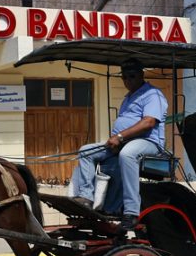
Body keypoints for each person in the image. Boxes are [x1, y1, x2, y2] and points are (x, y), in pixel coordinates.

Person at [69, 58, 168, 228]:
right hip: (123, 142)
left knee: (127, 154)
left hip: (149, 142)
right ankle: (86, 197)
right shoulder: (128, 97)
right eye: (125, 77)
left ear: (141, 74)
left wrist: (120, 137)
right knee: (86, 151)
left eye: (132, 76)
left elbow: (148, 122)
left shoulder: (153, 94)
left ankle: (131, 211)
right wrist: (118, 140)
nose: (128, 80)